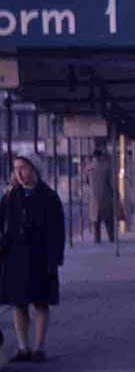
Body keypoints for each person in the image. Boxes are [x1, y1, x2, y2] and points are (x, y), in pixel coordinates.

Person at [0, 152, 65, 363]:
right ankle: (23, 347)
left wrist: (54, 259)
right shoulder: (10, 196)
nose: (19, 173)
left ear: (34, 169)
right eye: (16, 168)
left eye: (23, 168)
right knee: (18, 303)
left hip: (40, 256)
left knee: (40, 303)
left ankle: (39, 347)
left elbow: (57, 231)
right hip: (16, 256)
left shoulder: (49, 197)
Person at [86, 150, 115, 243]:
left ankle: (97, 239)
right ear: (101, 156)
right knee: (108, 220)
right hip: (105, 196)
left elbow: (87, 182)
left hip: (93, 197)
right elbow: (110, 182)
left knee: (96, 221)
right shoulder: (106, 167)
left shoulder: (88, 168)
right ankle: (111, 238)